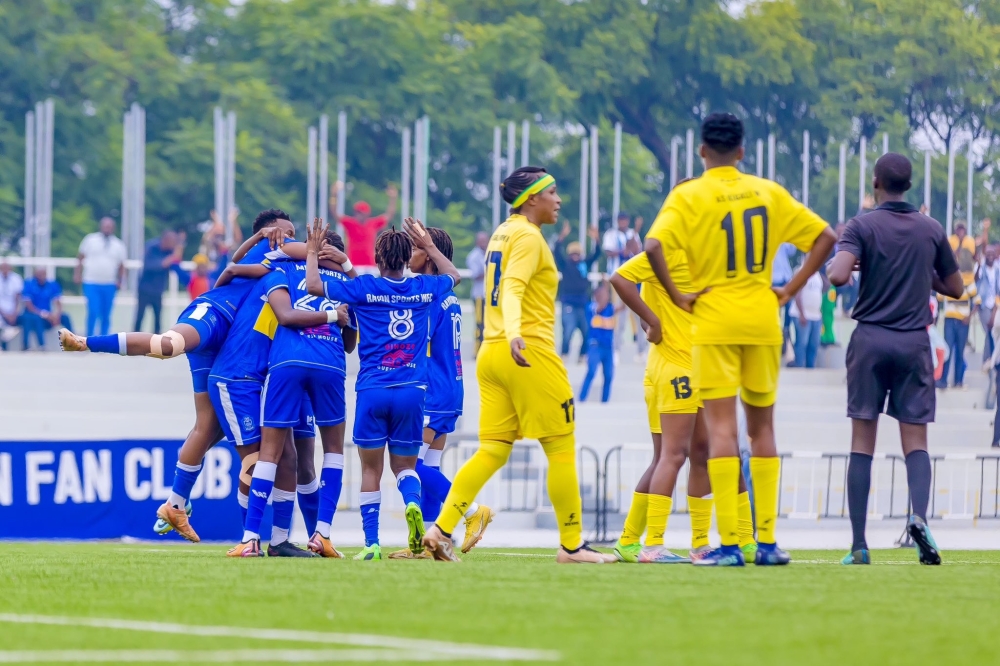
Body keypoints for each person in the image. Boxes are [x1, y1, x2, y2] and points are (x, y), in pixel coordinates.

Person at [645, 112, 836, 566]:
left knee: (723, 430)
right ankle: (767, 542)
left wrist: (679, 295)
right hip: (762, 318)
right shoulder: (768, 192)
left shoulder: (689, 195)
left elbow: (652, 246)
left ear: (702, 151)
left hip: (714, 320)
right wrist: (789, 289)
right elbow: (825, 237)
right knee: (763, 427)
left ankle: (730, 544)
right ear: (743, 151)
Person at [59, 209, 307, 541]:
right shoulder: (273, 246)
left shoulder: (273, 259)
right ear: (268, 231)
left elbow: (234, 264)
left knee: (206, 428)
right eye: (284, 230)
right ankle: (87, 342)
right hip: (217, 313)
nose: (289, 236)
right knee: (168, 345)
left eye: (292, 232)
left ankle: (175, 504)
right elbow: (250, 261)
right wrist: (331, 256)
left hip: (232, 339)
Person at [422, 166, 615, 564]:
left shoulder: (502, 231)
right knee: (560, 446)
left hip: (491, 354)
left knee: (493, 448)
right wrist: (515, 333)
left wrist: (504, 335)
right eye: (553, 192)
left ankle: (440, 530)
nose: (559, 200)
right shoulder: (528, 236)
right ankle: (573, 546)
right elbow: (513, 287)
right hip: (526, 352)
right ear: (531, 199)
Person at [828, 152, 963, 566]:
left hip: (870, 340)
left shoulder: (861, 225)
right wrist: (923, 273)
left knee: (862, 442)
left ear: (875, 183)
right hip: (912, 342)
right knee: (916, 442)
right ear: (909, 185)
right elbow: (956, 288)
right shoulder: (931, 228)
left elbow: (837, 275)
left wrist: (859, 260)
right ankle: (918, 518)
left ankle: (858, 546)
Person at [305, 218, 461, 561]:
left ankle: (372, 544)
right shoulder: (425, 287)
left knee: (371, 470)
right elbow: (455, 275)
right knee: (405, 467)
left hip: (373, 389)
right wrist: (431, 245)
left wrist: (314, 252)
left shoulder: (364, 289)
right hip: (412, 391)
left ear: (377, 258)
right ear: (408, 257)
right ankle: (413, 507)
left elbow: (313, 285)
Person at [609, 245, 756, 564]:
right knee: (675, 455)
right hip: (675, 368)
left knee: (701, 453)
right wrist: (651, 321)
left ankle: (697, 542)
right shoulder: (665, 250)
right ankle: (654, 545)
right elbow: (619, 279)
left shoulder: (707, 253)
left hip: (699, 365)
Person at [229, 230, 358, 559]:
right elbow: (350, 342)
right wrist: (337, 306)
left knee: (270, 453)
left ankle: (249, 539)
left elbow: (284, 316)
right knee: (332, 452)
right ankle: (323, 534)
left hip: (287, 363)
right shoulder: (345, 284)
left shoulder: (283, 269)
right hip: (330, 364)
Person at [391, 226, 494, 559]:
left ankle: (472, 510)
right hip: (451, 388)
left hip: (433, 391)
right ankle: (431, 541)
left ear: (431, 255)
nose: (408, 257)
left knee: (407, 464)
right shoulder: (446, 296)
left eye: (416, 250)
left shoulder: (430, 294)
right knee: (429, 467)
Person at [553, 222, 602, 359]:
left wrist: (596, 238)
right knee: (568, 330)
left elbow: (597, 253)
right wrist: (562, 236)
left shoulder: (584, 264)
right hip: (568, 302)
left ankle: (583, 355)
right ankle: (564, 353)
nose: (575, 255)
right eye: (573, 253)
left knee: (586, 331)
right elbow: (556, 251)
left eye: (577, 253)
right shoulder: (565, 264)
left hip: (583, 302)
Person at [75, 217, 127, 337]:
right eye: (105, 226)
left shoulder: (118, 244)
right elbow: (80, 258)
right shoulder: (90, 240)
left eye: (109, 227)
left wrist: (120, 280)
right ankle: (89, 339)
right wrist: (77, 274)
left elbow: (121, 265)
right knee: (93, 311)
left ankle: (103, 340)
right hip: (91, 281)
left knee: (106, 314)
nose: (107, 229)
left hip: (109, 283)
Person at [329, 181, 398, 270]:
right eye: (356, 212)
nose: (357, 214)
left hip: (370, 266)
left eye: (360, 212)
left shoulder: (373, 223)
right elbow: (334, 213)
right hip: (353, 266)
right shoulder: (350, 223)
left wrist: (393, 199)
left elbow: (389, 215)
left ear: (366, 214)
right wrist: (334, 195)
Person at [936, 262, 980, 389]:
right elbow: (939, 298)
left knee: (960, 352)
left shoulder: (968, 282)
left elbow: (977, 302)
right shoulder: (947, 282)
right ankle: (943, 380)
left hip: (963, 321)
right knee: (947, 351)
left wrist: (969, 316)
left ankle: (958, 381)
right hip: (949, 320)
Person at [135, 230, 184, 333]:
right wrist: (169, 259)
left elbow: (176, 262)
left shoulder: (169, 251)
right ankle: (134, 340)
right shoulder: (151, 247)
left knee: (158, 319)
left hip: (158, 290)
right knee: (140, 316)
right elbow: (150, 265)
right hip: (145, 289)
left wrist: (180, 246)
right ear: (166, 240)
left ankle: (156, 342)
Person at [578, 283, 616, 403]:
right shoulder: (591, 307)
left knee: (609, 376)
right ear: (596, 295)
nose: (606, 296)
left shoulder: (611, 308)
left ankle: (605, 401)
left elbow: (621, 307)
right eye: (603, 294)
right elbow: (599, 309)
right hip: (595, 346)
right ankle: (581, 398)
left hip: (608, 347)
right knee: (591, 371)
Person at [21, 268, 72, 350]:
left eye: (43, 274)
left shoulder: (51, 285)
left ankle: (72, 342)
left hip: (50, 316)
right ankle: (42, 345)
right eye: (39, 275)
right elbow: (29, 306)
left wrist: (57, 315)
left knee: (65, 317)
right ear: (35, 275)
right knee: (37, 319)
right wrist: (45, 314)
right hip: (36, 315)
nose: (41, 277)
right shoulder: (29, 285)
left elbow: (58, 302)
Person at [790, 264, 824, 368]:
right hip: (803, 315)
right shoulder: (802, 270)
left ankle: (810, 370)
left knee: (814, 345)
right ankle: (800, 369)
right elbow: (797, 293)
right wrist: (802, 314)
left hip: (816, 316)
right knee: (802, 344)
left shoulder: (817, 274)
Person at [975, 244, 999, 362]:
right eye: (988, 253)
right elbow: (976, 280)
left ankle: (990, 359)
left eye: (992, 253)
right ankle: (988, 359)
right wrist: (979, 265)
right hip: (983, 305)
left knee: (993, 331)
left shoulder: (998, 269)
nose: (990, 256)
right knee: (989, 329)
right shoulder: (981, 267)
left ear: (995, 256)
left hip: (995, 305)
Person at [467, 231, 489, 356]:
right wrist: (490, 270)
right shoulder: (474, 256)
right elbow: (476, 275)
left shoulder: (490, 252)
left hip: (489, 295)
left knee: (488, 324)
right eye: (482, 241)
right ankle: (477, 351)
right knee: (480, 324)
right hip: (479, 295)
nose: (484, 243)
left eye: (485, 240)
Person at [0, 258, 23, 350]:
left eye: (7, 268)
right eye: (3, 268)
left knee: (26, 318)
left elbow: (17, 298)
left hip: (13, 311)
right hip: (1, 311)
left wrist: (14, 313)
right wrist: (4, 314)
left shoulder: (16, 278)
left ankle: (25, 346)